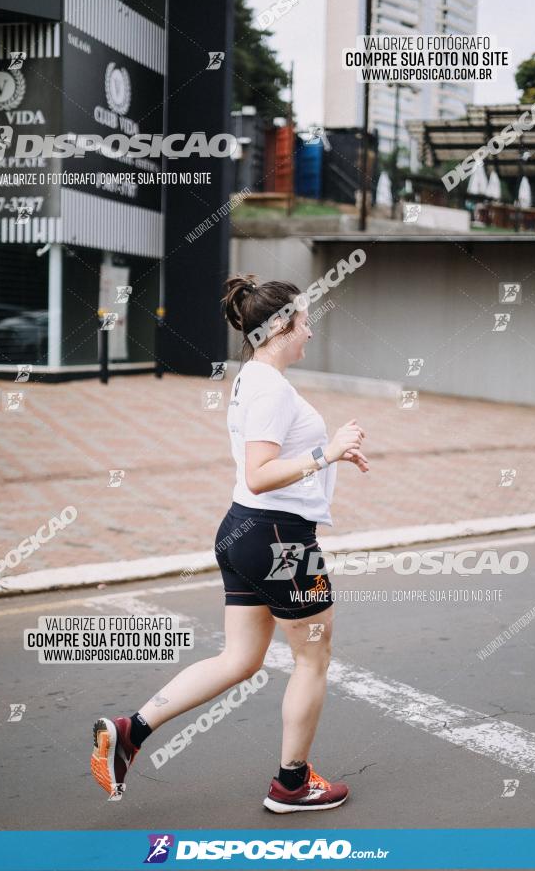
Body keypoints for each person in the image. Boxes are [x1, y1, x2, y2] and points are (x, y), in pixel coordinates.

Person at [90, 274, 369, 812]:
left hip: (246, 531)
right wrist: (326, 454)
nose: (311, 331)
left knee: (240, 658)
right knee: (313, 660)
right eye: (305, 320)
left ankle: (130, 731)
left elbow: (270, 461)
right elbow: (261, 472)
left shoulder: (254, 379)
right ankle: (292, 784)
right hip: (280, 539)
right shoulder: (268, 386)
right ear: (282, 326)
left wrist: (329, 455)